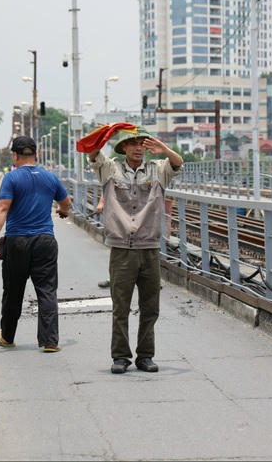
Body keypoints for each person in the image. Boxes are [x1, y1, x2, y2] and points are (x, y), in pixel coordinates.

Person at [88, 125, 182, 374]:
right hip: (121, 248)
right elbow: (91, 151)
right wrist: (108, 133)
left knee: (150, 306)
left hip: (149, 247)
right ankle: (120, 357)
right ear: (124, 148)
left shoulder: (158, 169)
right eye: (133, 143)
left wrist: (163, 149)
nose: (139, 147)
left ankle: (145, 356)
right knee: (121, 306)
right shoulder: (111, 168)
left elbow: (177, 162)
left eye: (143, 143)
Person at [0, 135, 71, 352]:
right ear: (36, 155)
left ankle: (7, 336)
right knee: (46, 290)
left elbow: (2, 208)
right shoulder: (50, 177)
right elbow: (66, 203)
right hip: (45, 241)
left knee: (13, 290)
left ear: (14, 155)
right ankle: (50, 341)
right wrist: (62, 211)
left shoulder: (12, 178)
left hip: (18, 241)